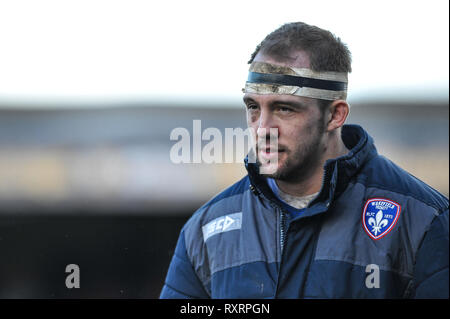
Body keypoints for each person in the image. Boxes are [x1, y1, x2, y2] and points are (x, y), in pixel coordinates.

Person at [160, 22, 449, 298]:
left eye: (284, 109)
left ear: (335, 115)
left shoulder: (422, 219)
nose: (262, 129)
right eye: (253, 108)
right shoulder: (206, 230)